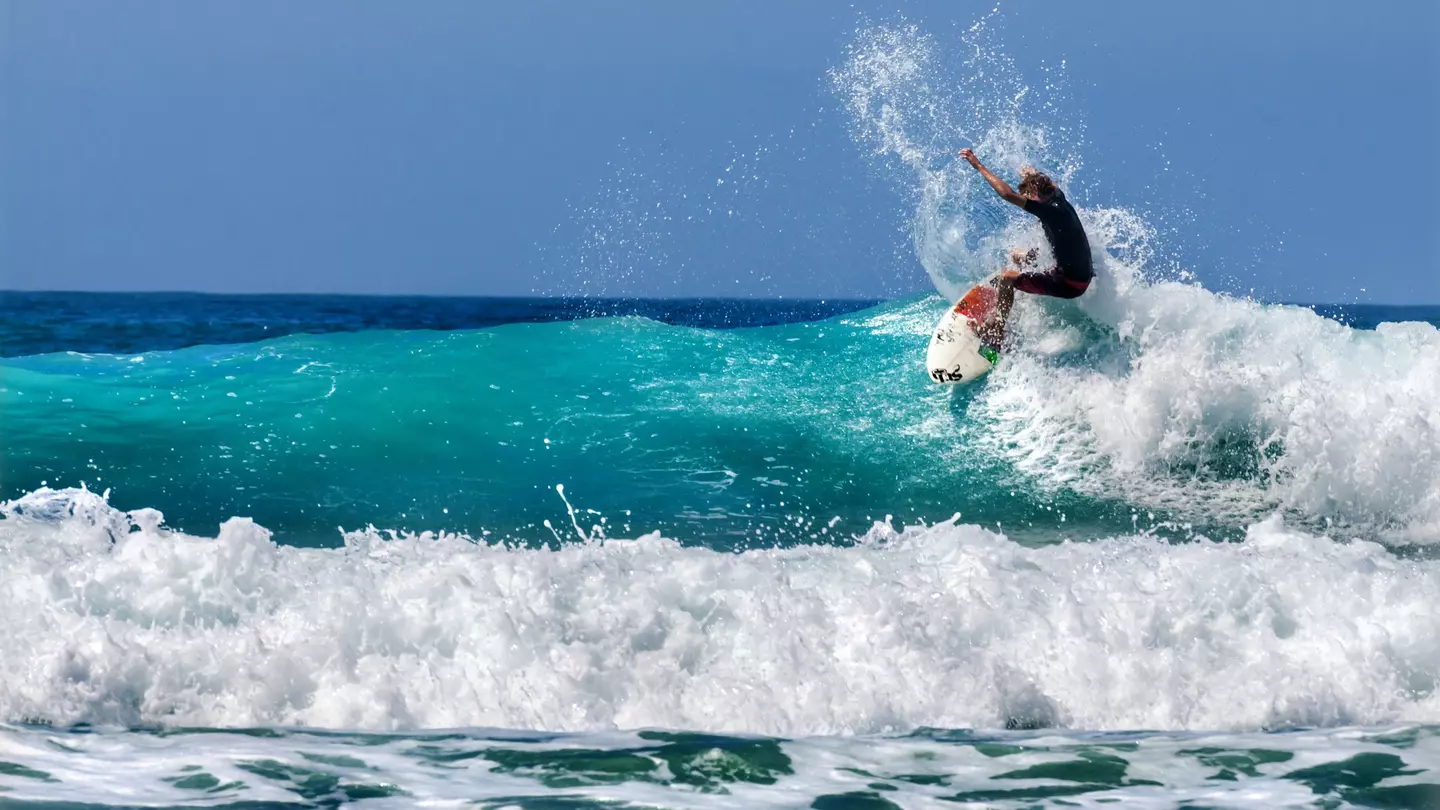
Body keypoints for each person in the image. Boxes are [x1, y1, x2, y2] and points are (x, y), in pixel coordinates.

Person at [958, 148, 1093, 347]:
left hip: (1070, 283)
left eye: (1029, 196)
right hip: (1077, 270)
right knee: (1018, 255)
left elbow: (1006, 194)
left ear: (1036, 194)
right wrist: (1028, 173)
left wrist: (978, 165)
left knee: (1006, 279)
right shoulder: (1057, 195)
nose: (1027, 201)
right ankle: (1016, 293)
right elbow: (1042, 179)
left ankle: (997, 330)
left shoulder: (1048, 210)